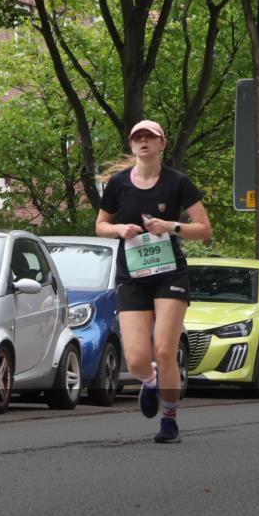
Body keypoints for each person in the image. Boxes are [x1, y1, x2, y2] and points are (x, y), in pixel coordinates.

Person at [95, 120, 212, 443]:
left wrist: (172, 226)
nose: (143, 142)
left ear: (162, 144)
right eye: (138, 138)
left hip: (169, 273)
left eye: (150, 137)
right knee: (135, 358)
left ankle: (169, 418)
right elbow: (101, 225)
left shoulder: (178, 183)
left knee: (164, 348)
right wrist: (120, 229)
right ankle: (149, 382)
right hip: (132, 275)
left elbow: (204, 229)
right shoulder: (119, 184)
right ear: (132, 146)